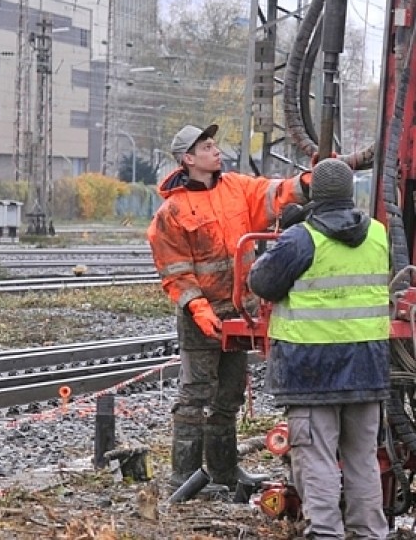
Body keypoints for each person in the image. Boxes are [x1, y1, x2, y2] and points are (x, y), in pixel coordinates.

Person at [146, 123, 310, 491]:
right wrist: (199, 309)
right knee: (195, 397)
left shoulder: (236, 187)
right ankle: (183, 478)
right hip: (200, 317)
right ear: (188, 159)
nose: (215, 150)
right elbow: (175, 271)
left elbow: (275, 193)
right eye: (206, 147)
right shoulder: (171, 213)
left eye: (214, 145)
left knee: (229, 396)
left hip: (239, 314)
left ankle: (223, 473)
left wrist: (310, 182)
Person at [248, 158, 389, 539]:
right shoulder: (378, 234)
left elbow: (262, 282)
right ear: (350, 193)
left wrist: (291, 229)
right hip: (368, 368)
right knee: (363, 460)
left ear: (315, 196)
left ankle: (325, 533)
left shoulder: (301, 238)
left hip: (311, 370)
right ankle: (369, 533)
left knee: (317, 460)